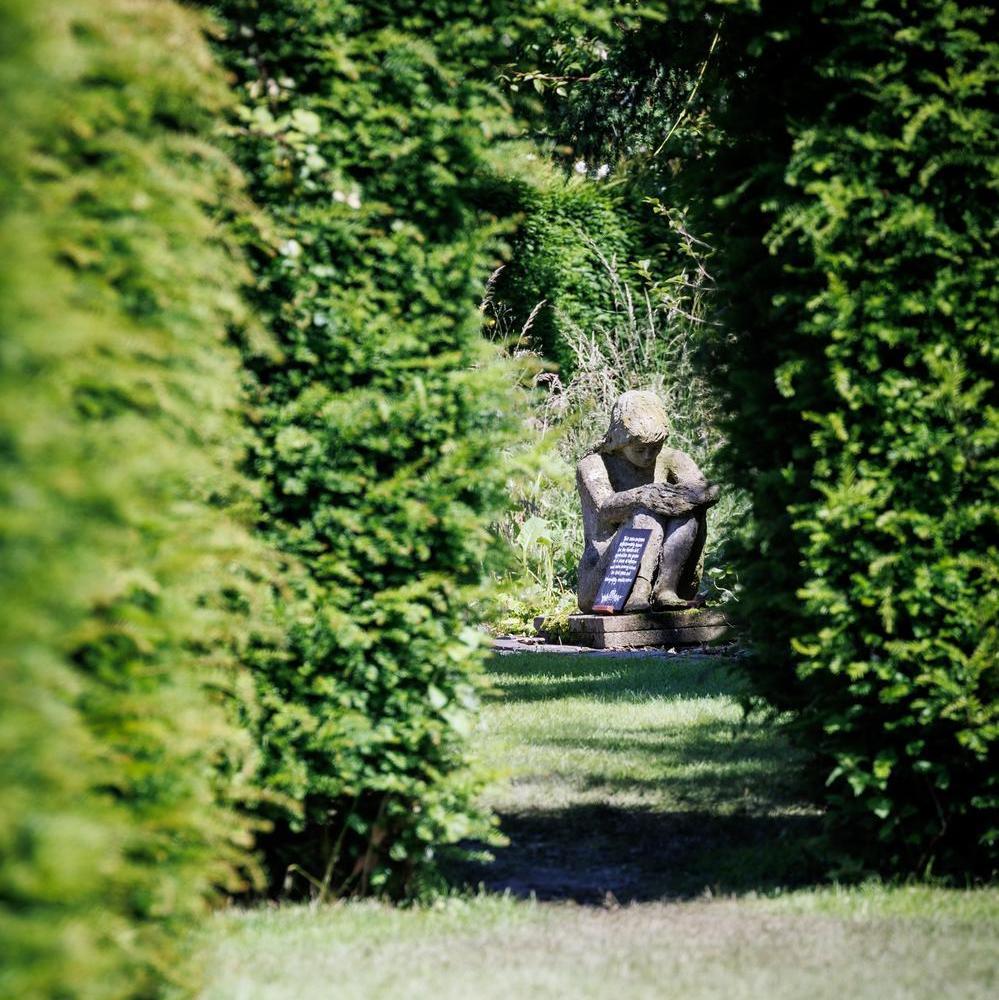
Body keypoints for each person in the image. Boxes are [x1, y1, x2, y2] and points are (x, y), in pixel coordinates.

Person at [576, 390, 719, 613]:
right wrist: (645, 495)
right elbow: (605, 508)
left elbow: (709, 490)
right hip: (608, 578)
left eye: (655, 448)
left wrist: (681, 498)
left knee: (689, 510)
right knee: (645, 513)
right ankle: (639, 591)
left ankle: (665, 590)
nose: (648, 456)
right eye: (640, 449)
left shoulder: (671, 458)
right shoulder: (595, 464)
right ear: (621, 441)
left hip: (670, 575)